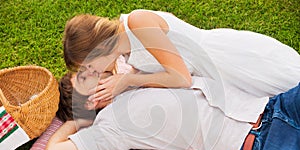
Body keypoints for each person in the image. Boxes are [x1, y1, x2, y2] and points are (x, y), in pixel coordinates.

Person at [42, 70, 300, 150]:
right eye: (88, 79)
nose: (96, 71)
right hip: (261, 147)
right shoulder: (109, 128)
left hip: (274, 106)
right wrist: (79, 121)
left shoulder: (133, 77)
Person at [62, 9, 300, 121]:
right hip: (214, 76)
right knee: (279, 111)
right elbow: (152, 64)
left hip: (227, 61)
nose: (95, 72)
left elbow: (181, 78)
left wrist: (128, 80)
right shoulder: (123, 52)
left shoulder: (137, 22)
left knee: (288, 88)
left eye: (90, 66)